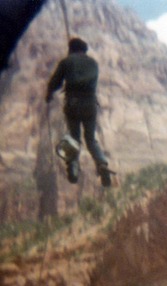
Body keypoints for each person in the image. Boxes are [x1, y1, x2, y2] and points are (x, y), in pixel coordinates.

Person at [45, 37, 111, 187]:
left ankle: (73, 168)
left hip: (73, 104)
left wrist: (49, 94)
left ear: (71, 49)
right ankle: (102, 164)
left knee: (73, 137)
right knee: (91, 140)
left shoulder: (66, 62)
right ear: (84, 50)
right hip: (90, 105)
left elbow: (55, 82)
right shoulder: (94, 63)